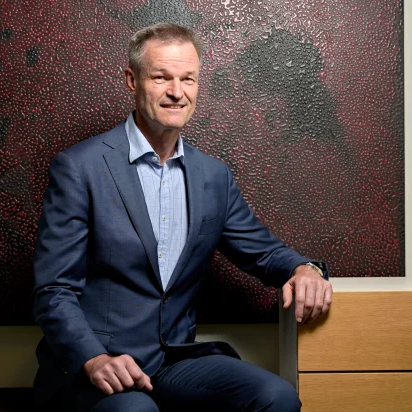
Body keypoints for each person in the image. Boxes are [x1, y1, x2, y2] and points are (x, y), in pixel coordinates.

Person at [33, 23, 332, 412]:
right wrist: (94, 359)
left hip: (173, 362)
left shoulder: (213, 176)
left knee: (278, 397)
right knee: (136, 411)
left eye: (187, 79)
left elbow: (264, 252)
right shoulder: (79, 168)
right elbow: (54, 291)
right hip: (96, 368)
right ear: (132, 80)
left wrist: (305, 269)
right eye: (161, 78)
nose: (177, 92)